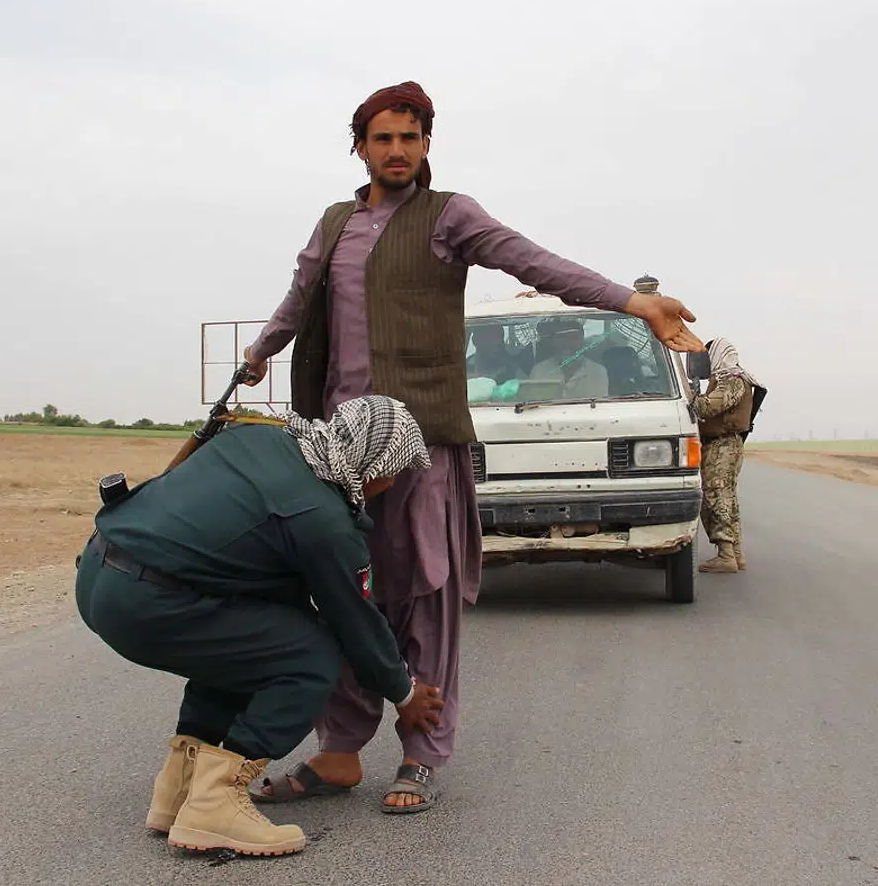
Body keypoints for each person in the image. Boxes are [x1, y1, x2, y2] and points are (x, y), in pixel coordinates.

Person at [240, 80, 706, 814]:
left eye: (411, 137)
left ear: (427, 146)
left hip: (422, 441)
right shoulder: (335, 223)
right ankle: (338, 753)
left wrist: (630, 300)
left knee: (425, 595)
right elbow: (299, 299)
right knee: (344, 594)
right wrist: (261, 352)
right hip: (341, 451)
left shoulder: (447, 215)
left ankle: (423, 753)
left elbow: (534, 262)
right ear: (359, 146)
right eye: (383, 137)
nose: (397, 150)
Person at [72, 395, 447, 856]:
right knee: (310, 657)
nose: (391, 484)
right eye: (395, 470)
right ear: (373, 463)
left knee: (253, 649)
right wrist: (405, 693)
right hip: (147, 603)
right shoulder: (324, 520)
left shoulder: (263, 436)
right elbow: (354, 620)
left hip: (97, 575)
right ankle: (216, 804)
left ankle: (179, 790)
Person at [692, 337, 762, 573]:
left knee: (716, 496)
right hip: (723, 444)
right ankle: (735, 553)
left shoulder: (732, 379)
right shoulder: (728, 377)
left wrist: (689, 399)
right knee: (727, 498)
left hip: (722, 445)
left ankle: (726, 554)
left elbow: (710, 407)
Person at [528, 318, 609, 399]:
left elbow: (600, 407)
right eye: (562, 338)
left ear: (582, 341)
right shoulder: (539, 371)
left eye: (574, 338)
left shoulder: (597, 371)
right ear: (553, 341)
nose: (568, 343)